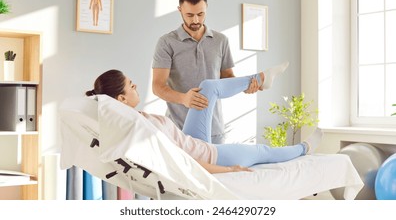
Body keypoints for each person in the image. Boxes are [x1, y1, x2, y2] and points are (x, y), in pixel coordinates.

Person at [85, 63, 323, 174]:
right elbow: (182, 163)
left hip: (191, 140)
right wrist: (228, 169)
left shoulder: (135, 118)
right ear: (121, 99)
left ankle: (260, 79)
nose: (136, 86)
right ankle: (304, 148)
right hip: (207, 154)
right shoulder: (141, 128)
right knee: (262, 152)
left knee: (208, 87)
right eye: (131, 85)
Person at [152, 0, 259, 144]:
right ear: (179, 10)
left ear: (206, 9)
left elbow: (227, 78)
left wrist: (245, 87)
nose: (195, 20)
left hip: (214, 130)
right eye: (189, 15)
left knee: (214, 169)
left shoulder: (221, 40)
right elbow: (158, 86)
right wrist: (184, 99)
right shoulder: (166, 42)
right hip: (177, 131)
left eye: (200, 14)